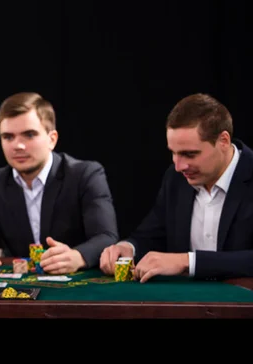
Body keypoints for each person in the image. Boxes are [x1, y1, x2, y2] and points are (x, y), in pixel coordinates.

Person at [0, 92, 118, 274]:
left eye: (29, 135)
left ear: (52, 139)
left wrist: (78, 256)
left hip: (77, 284)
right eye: (8, 137)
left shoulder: (85, 174)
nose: (18, 145)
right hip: (20, 289)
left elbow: (106, 236)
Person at [100, 93, 253, 282]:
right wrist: (128, 248)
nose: (179, 166)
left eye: (190, 154)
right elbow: (152, 234)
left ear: (223, 141)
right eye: (173, 153)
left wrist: (188, 261)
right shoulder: (175, 178)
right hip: (185, 306)